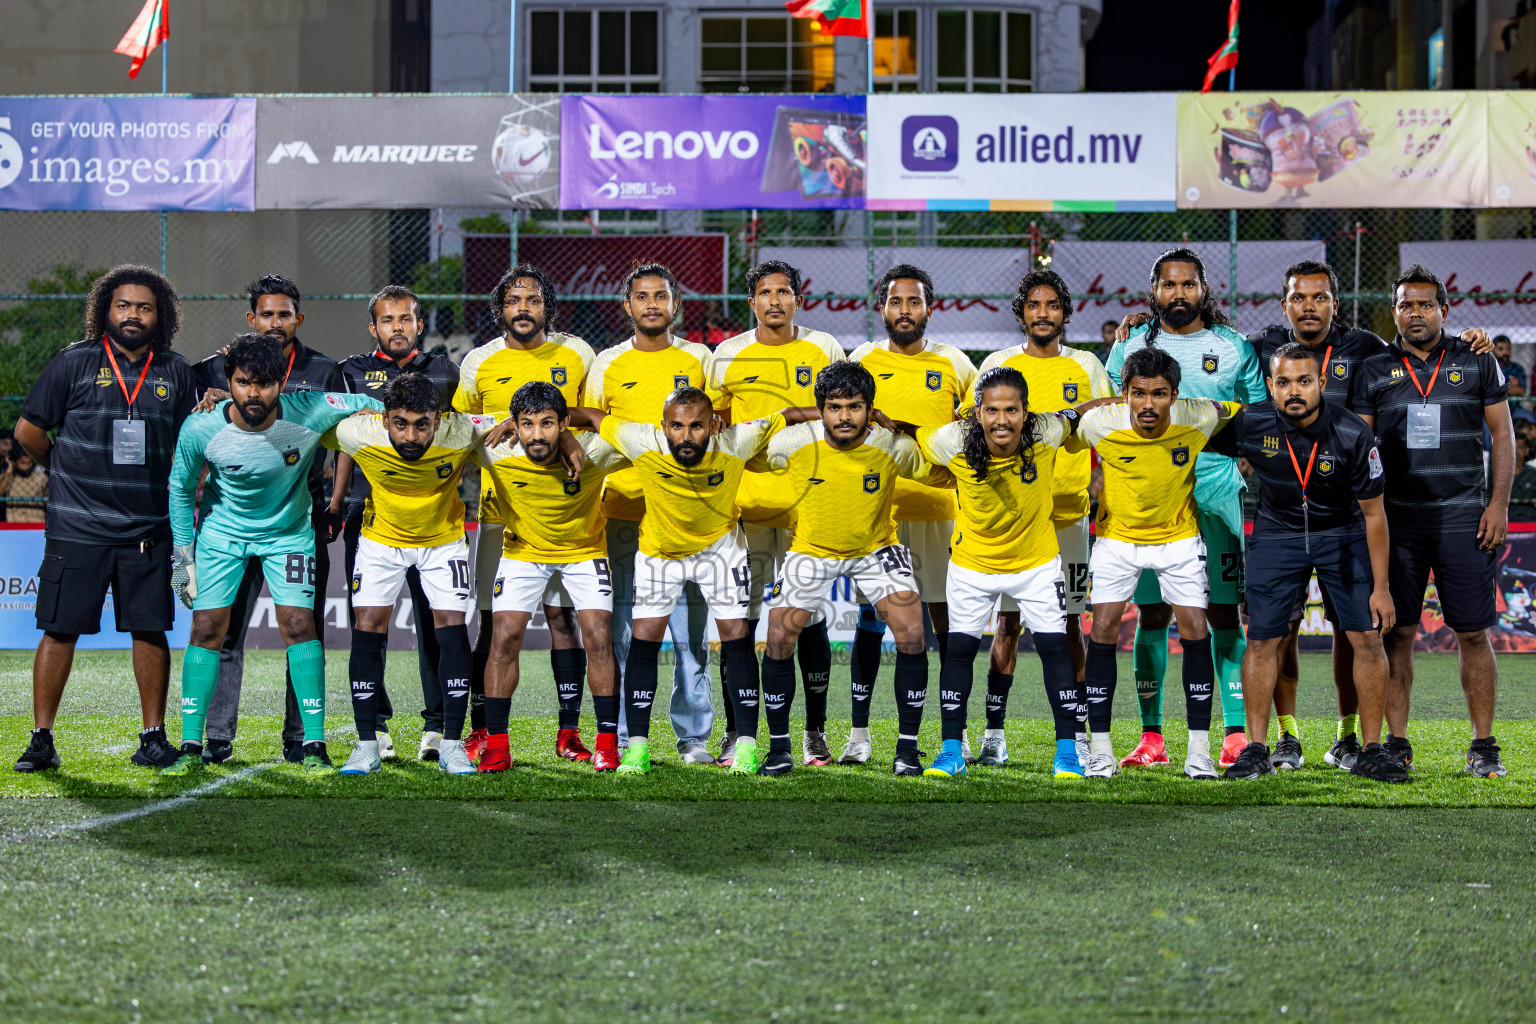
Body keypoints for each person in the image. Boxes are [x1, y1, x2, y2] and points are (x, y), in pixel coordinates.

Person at [162, 335, 381, 775]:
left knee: (300, 625)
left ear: (282, 383)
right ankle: (190, 747)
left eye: (264, 384)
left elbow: (374, 403)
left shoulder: (311, 409)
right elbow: (181, 492)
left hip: (288, 534)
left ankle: (314, 745)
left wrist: (370, 415)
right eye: (243, 383)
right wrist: (182, 558)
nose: (253, 394)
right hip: (223, 535)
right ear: (228, 382)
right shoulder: (201, 427)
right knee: (207, 627)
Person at [12, 265, 197, 773]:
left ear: (160, 315)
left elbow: (191, 443)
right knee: (59, 630)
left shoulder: (176, 372)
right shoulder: (74, 363)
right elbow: (28, 431)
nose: (133, 314)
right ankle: (41, 739)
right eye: (123, 305)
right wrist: (64, 468)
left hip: (146, 528)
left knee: (150, 630)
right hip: (78, 528)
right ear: (105, 311)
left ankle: (153, 737)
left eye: (144, 307)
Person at [1206, 343, 1407, 782]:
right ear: (1270, 386)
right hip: (1278, 534)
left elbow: (1374, 514)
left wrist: (1381, 587)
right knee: (1262, 640)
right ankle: (1256, 750)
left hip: (1343, 532)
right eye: (1282, 382)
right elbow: (1182, 429)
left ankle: (1371, 750)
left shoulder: (1354, 433)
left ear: (1322, 383)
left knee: (1367, 640)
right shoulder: (1251, 422)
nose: (1293, 391)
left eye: (1303, 381)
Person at [567, 387, 784, 775]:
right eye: (677, 426)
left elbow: (789, 413)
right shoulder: (642, 440)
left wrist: (870, 416)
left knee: (737, 637)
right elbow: (595, 417)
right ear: (662, 426)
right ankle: (636, 747)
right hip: (659, 554)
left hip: (720, 549)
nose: (686, 436)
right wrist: (560, 424)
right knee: (644, 640)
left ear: (714, 424)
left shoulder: (738, 440)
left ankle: (747, 747)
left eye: (697, 426)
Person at [1351, 264, 1514, 778]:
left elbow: (1503, 437)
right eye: (1404, 305)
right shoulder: (1375, 368)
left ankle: (1483, 744)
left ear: (1444, 310)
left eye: (1424, 305)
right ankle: (1397, 743)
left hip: (1467, 520)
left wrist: (1499, 504)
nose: (1414, 313)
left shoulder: (1477, 360)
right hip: (1397, 524)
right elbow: (1359, 447)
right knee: (1396, 634)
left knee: (1472, 633)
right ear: (1394, 311)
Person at [1106, 248, 1265, 769]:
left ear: (1204, 289)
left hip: (1213, 492)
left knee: (1221, 613)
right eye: (1169, 286)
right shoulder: (1131, 342)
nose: (1179, 294)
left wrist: (1239, 459)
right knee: (1152, 613)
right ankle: (1152, 737)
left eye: (1188, 285)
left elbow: (1260, 416)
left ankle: (1235, 733)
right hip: (1147, 498)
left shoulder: (1233, 345)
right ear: (1154, 291)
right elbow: (1110, 412)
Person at [190, 275, 344, 765]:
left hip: (298, 518)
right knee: (223, 629)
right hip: (229, 521)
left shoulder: (323, 369)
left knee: (300, 626)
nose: (275, 323)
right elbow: (192, 432)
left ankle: (301, 739)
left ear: (298, 318)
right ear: (251, 318)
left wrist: (336, 502)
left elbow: (347, 439)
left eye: (284, 315)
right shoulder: (215, 366)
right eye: (266, 314)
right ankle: (215, 736)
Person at [965, 269, 1113, 766]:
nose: (1043, 313)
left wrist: (1105, 485)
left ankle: (1077, 737)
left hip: (1068, 517)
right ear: (1021, 312)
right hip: (1012, 521)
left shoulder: (1086, 364)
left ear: (1065, 314)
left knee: (1070, 625)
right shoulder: (999, 365)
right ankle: (993, 734)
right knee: (1006, 625)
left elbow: (1109, 429)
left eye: (1052, 305)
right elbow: (972, 431)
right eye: (1034, 304)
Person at [911, 366, 1088, 779]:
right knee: (958, 653)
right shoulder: (950, 440)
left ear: (1027, 412)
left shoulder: (1048, 431)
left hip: (1037, 564)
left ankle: (1067, 754)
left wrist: (1121, 402)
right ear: (976, 413)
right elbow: (911, 433)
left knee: (1054, 649)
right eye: (992, 410)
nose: (1002, 420)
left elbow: (1082, 411)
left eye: (1011, 410)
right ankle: (952, 750)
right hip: (972, 566)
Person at [762, 362, 935, 777]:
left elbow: (936, 467)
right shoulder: (790, 443)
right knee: (780, 632)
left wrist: (907, 428)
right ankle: (780, 747)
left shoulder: (892, 445)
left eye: (855, 407)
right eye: (834, 407)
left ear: (871, 409)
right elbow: (750, 455)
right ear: (820, 409)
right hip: (812, 549)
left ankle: (907, 749)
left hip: (876, 548)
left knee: (912, 631)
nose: (844, 417)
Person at [454, 264, 596, 762]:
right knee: (493, 627)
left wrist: (568, 430)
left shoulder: (578, 354)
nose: (523, 309)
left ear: (547, 308)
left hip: (568, 513)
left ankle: (569, 732)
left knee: (563, 620)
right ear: (500, 310)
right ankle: (483, 731)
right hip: (501, 514)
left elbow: (596, 417)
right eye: (513, 301)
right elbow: (461, 426)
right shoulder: (478, 362)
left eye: (532, 300)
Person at [1076, 346, 1238, 779]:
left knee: (1195, 628)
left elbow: (1250, 414)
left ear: (1176, 395)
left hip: (1178, 539)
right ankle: (1101, 750)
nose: (1148, 405)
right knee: (1105, 627)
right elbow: (1055, 426)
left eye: (1160, 394)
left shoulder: (1200, 416)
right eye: (1138, 394)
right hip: (1117, 538)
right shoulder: (1099, 422)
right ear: (1123, 394)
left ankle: (1198, 751)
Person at [707, 260, 844, 766]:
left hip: (807, 506)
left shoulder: (823, 348)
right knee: (739, 621)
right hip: (743, 509)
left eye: (784, 291)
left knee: (805, 620)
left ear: (797, 299)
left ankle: (813, 734)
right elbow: (716, 425)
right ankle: (739, 733)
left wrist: (789, 424)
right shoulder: (727, 354)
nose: (775, 301)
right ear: (752, 302)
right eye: (765, 293)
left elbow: (842, 413)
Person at [845, 265, 978, 764]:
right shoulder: (861, 360)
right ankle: (859, 735)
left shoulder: (956, 364)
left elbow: (974, 431)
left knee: (946, 625)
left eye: (914, 301)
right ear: (882, 307)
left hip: (942, 512)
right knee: (871, 622)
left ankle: (953, 731)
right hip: (876, 517)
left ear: (929, 307)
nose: (905, 310)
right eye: (896, 302)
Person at [323, 373, 488, 776]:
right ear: (384, 419)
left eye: (421, 424)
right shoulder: (359, 431)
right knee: (367, 625)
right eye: (400, 423)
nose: (410, 435)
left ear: (440, 418)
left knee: (451, 628)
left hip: (443, 541)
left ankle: (451, 745)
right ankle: (366, 747)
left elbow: (526, 420)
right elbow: (296, 411)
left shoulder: (462, 430)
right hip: (381, 540)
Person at [586, 262, 717, 765]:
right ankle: (621, 732)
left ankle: (693, 736)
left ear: (674, 304)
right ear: (628, 305)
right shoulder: (607, 365)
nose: (652, 305)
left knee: (690, 631)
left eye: (660, 296)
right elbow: (593, 429)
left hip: (689, 515)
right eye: (642, 297)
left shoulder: (699, 358)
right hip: (622, 512)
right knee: (622, 630)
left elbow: (717, 425)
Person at [331, 286, 460, 762]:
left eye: (406, 319)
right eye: (388, 320)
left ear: (419, 325)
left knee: (436, 624)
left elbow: (461, 435)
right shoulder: (351, 372)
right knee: (371, 624)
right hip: (370, 518)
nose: (398, 327)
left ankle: (438, 724)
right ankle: (377, 727)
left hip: (431, 518)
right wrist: (338, 500)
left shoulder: (445, 371)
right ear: (374, 328)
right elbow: (345, 442)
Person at [477, 383, 623, 773]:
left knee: (597, 634)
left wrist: (575, 435)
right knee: (503, 634)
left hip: (584, 551)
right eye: (526, 424)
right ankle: (496, 744)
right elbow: (438, 427)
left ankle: (607, 743)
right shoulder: (493, 446)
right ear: (514, 425)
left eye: (547, 424)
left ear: (564, 423)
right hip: (523, 550)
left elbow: (637, 432)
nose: (536, 435)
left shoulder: (595, 451)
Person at [0, 450, 49, 523]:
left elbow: (48, 496)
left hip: (37, 520)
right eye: (23, 463)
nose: (27, 466)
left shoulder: (41, 478)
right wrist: (9, 471)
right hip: (14, 520)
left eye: (29, 463)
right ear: (14, 462)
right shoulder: (8, 478)